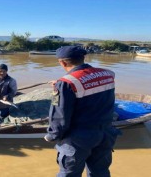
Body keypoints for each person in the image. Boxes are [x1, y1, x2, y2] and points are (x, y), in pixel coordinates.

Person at [44, 46, 121, 177]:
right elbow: (90, 84)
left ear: (62, 62)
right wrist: (61, 85)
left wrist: (52, 135)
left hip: (79, 138)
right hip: (106, 133)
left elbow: (60, 116)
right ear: (83, 58)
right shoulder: (108, 74)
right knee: (100, 172)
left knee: (69, 173)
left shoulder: (66, 83)